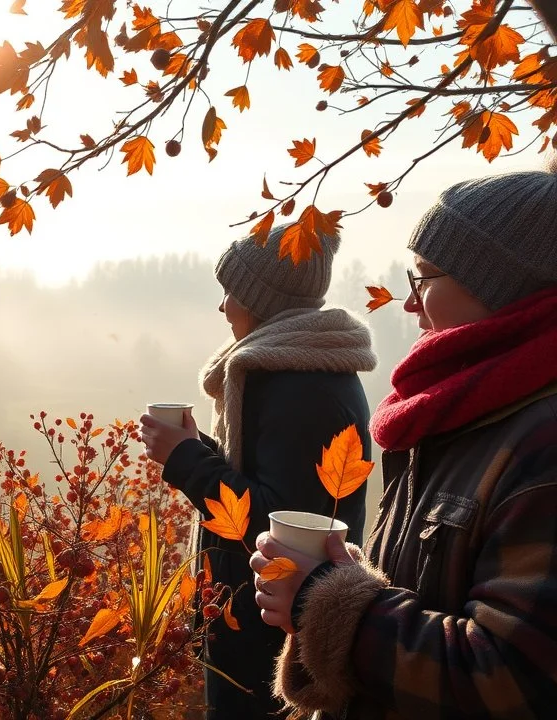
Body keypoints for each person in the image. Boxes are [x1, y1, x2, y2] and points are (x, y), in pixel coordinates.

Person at [251, 166, 557, 718]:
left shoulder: (543, 443)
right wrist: (343, 583)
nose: (410, 304)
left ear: (499, 286)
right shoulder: (458, 414)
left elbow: (511, 678)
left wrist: (330, 603)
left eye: (424, 278)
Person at [139, 228, 376, 718]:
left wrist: (187, 460)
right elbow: (272, 482)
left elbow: (278, 530)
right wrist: (194, 448)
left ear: (262, 300)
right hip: (255, 624)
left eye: (232, 292)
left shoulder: (302, 390)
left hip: (267, 649)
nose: (223, 308)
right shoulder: (292, 375)